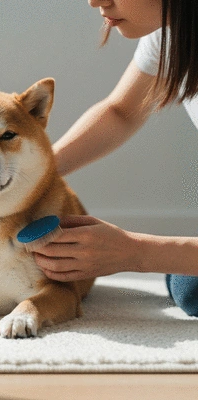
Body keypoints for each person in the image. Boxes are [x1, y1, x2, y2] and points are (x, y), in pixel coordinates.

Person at [34, 0, 198, 316]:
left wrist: (134, 253)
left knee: (190, 289)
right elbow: (120, 112)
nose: (95, 1)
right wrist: (38, 174)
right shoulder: (174, 32)